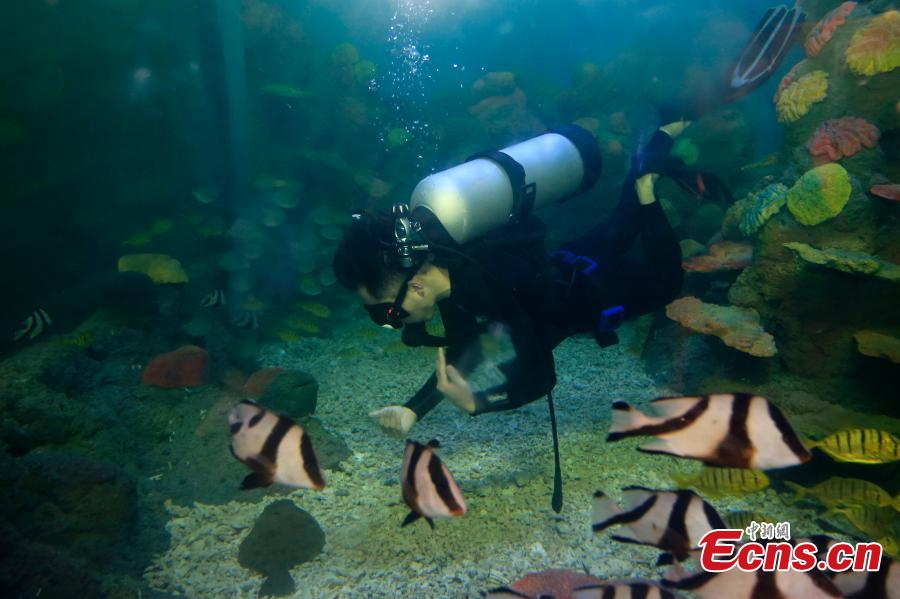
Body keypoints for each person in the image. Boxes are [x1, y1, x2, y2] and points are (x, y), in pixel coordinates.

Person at [332, 4, 805, 437]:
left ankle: (647, 184)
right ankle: (658, 139)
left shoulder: (493, 283)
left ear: (413, 288)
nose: (388, 323)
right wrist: (414, 409)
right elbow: (460, 354)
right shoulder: (447, 262)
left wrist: (478, 403)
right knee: (621, 219)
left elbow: (540, 376)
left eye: (385, 312)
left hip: (597, 291)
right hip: (575, 257)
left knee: (665, 283)